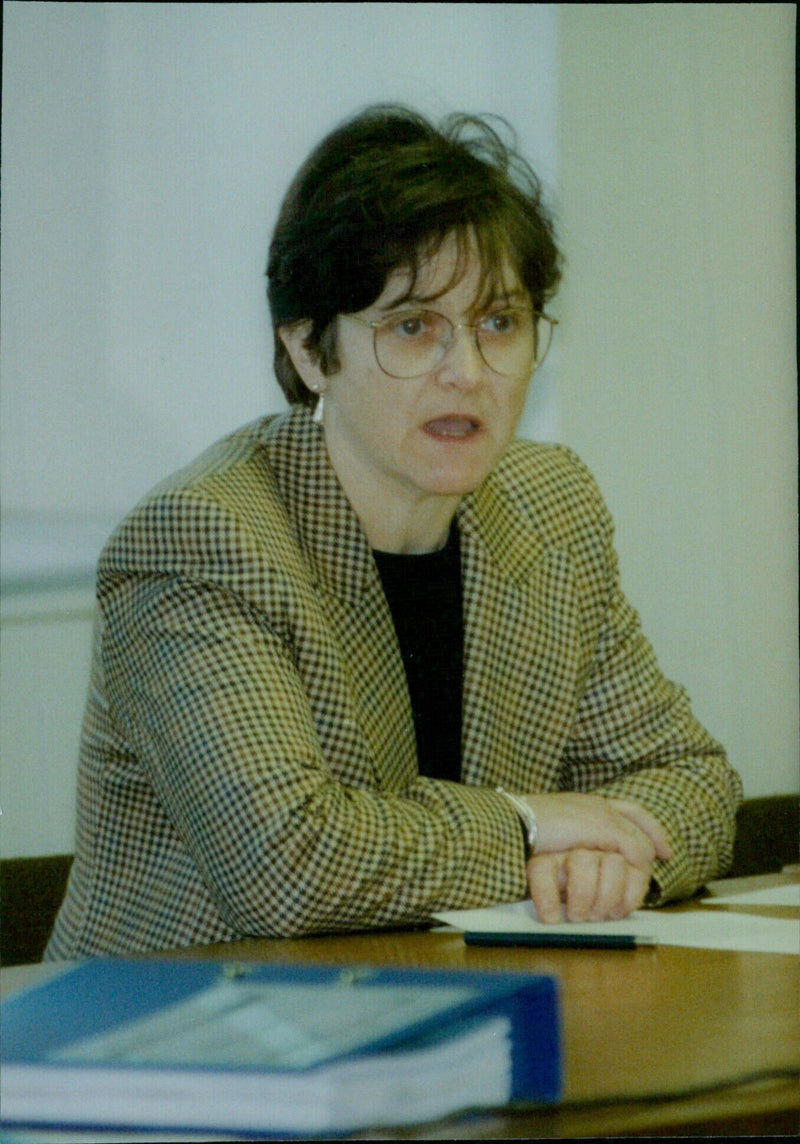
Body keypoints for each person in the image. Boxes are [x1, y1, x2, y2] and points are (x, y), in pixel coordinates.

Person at [46, 105, 742, 959]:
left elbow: (695, 780)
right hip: (180, 1053)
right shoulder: (203, 538)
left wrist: (611, 856)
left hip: (450, 1016)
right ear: (308, 350)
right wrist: (530, 830)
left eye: (500, 323)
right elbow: (289, 863)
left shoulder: (550, 507)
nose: (467, 372)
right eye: (413, 327)